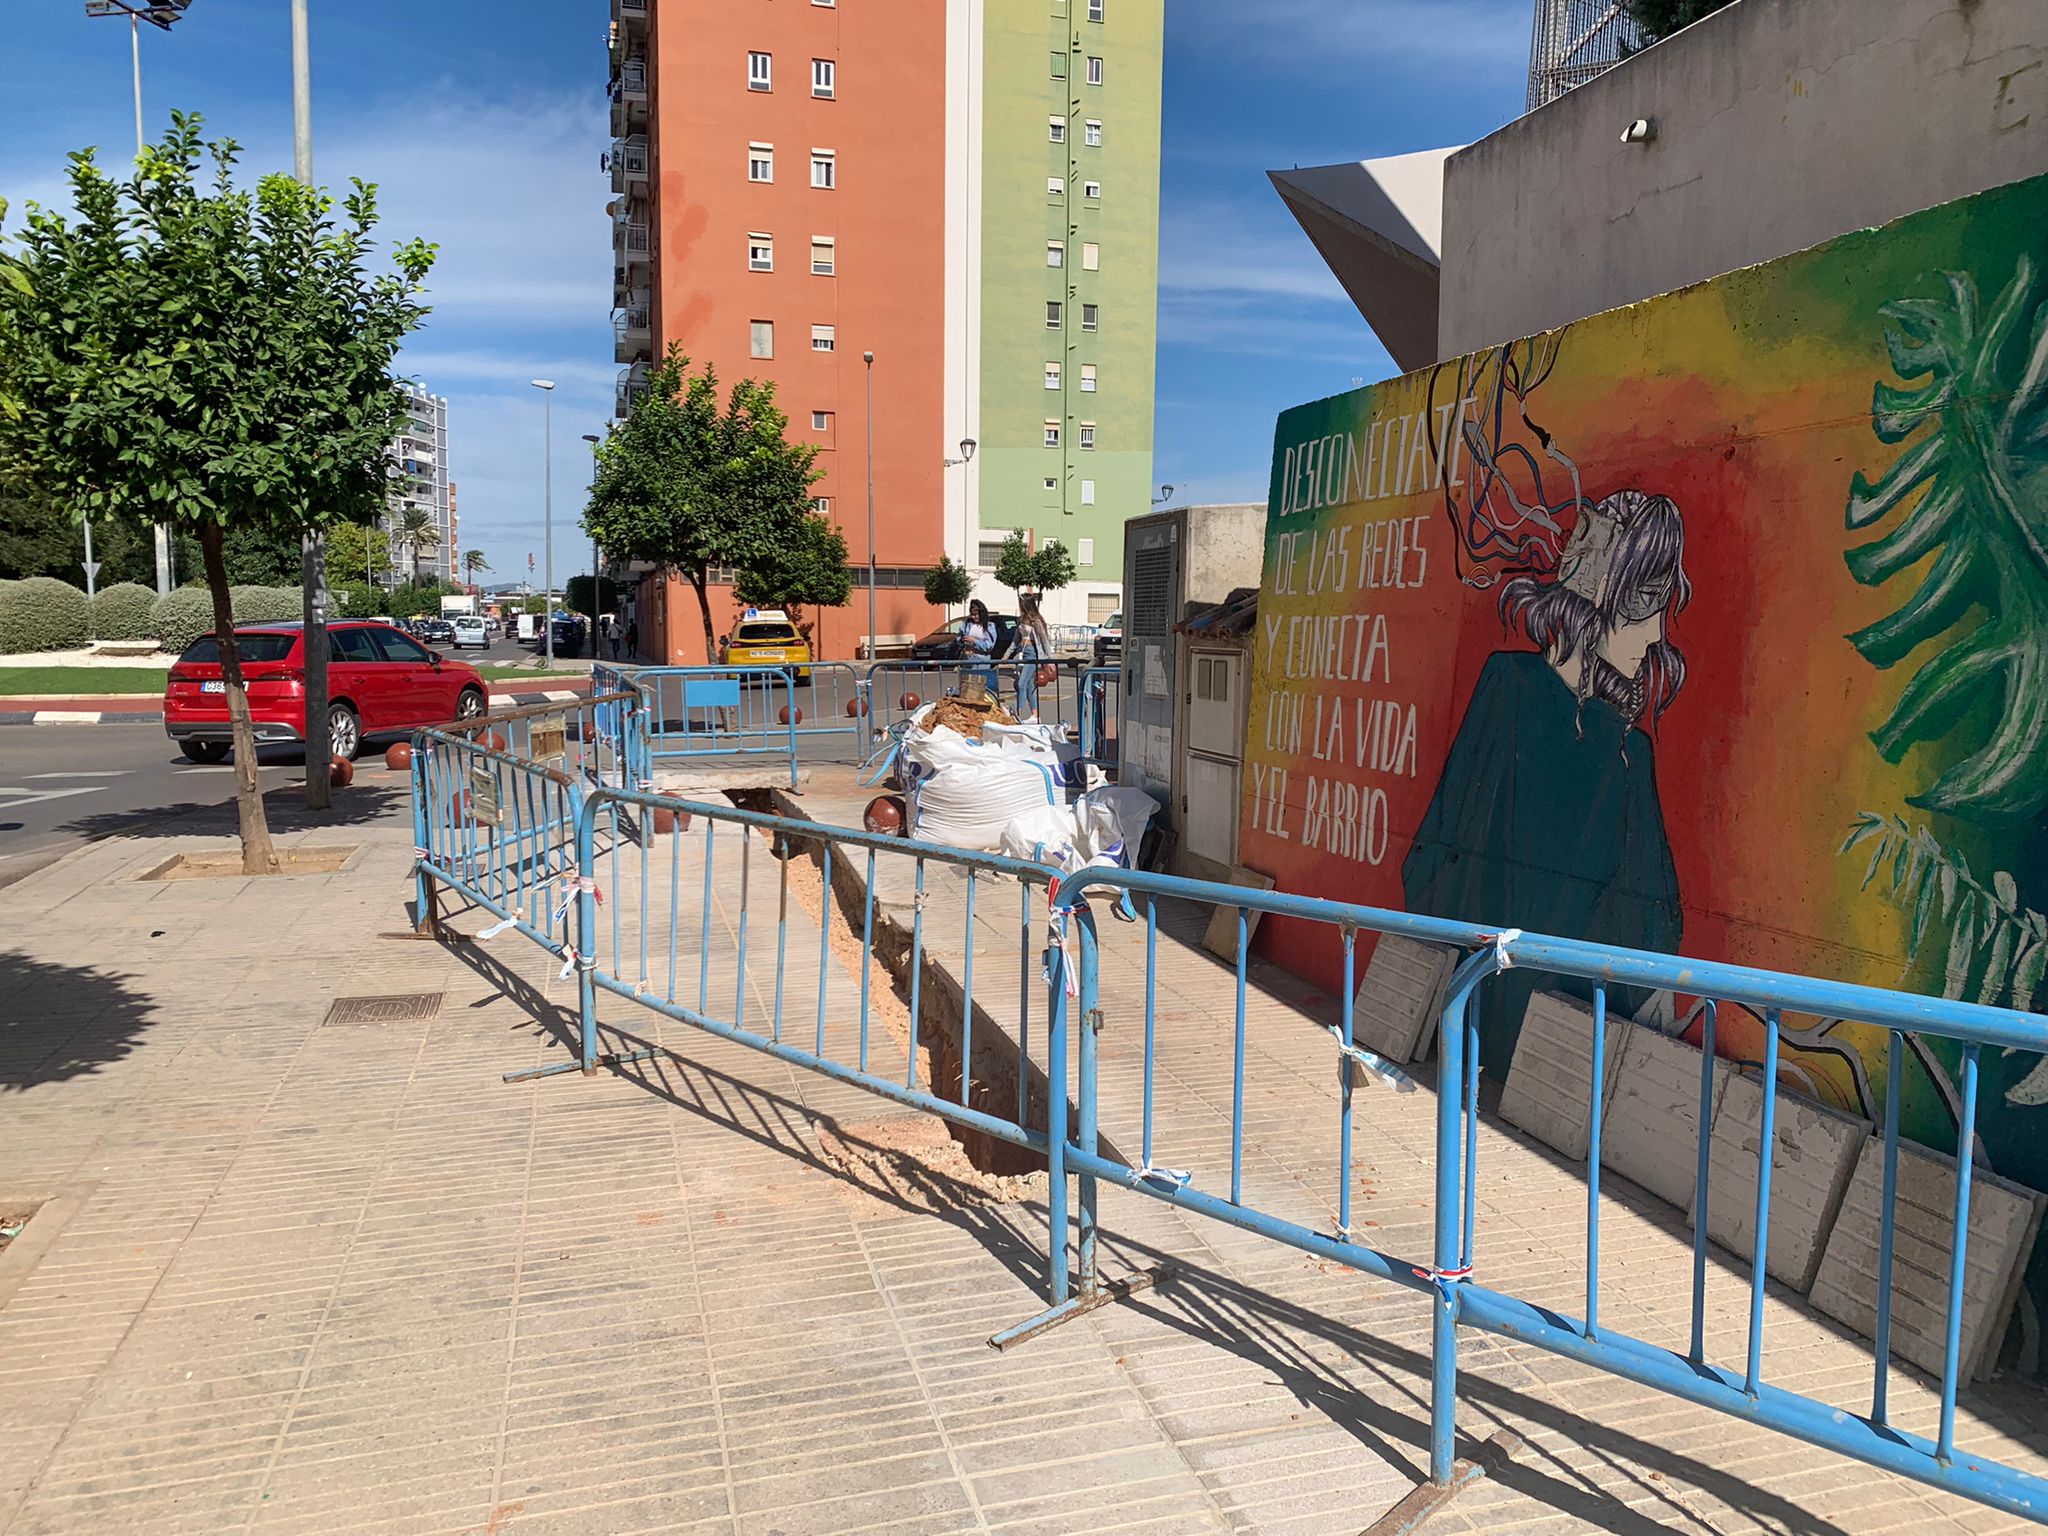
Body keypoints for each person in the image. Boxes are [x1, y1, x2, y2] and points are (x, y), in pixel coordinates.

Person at [1402, 488, 1690, 1081]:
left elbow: (1655, 923)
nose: (1656, 634)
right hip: (1508, 1030)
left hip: (1555, 1046)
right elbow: (1438, 856)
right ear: (1595, 594)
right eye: (1644, 602)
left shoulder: (1630, 751)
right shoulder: (1511, 687)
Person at [1013, 592, 1053, 720]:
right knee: (1029, 686)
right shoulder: (1020, 620)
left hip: (1032, 654)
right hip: (1022, 652)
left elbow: (1044, 640)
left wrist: (1050, 660)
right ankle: (1035, 714)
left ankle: (1017, 712)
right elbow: (1015, 640)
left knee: (1021, 683)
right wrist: (1005, 656)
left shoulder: (1035, 621)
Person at [961, 599, 999, 696]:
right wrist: (961, 640)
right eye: (972, 614)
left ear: (981, 613)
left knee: (981, 690)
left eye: (975, 614)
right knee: (967, 690)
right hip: (968, 659)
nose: (973, 617)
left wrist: (974, 641)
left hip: (981, 660)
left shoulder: (989, 626)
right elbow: (959, 637)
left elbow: (989, 646)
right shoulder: (967, 624)